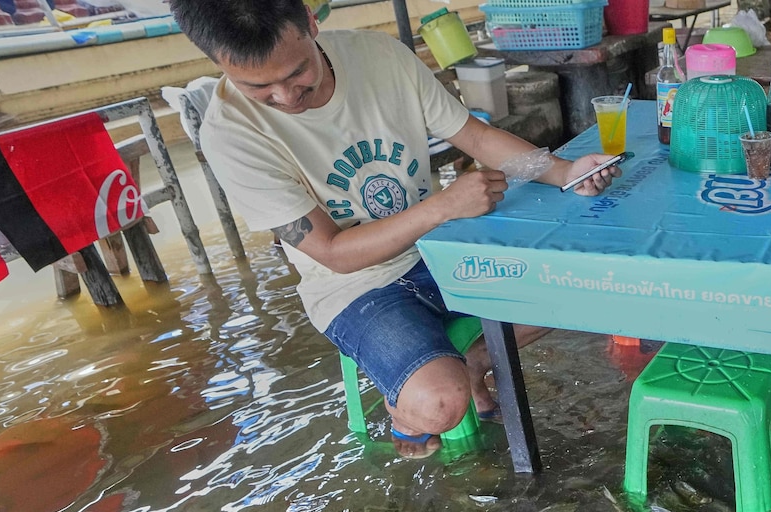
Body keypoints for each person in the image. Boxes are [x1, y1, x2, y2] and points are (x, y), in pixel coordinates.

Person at [173, 0, 621, 458]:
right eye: (258, 86)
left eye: (297, 72)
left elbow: (475, 136)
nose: (287, 97)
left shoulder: (379, 57)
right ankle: (408, 409)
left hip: (434, 250)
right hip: (354, 287)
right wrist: (442, 207)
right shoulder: (229, 134)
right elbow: (334, 253)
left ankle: (477, 360)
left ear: (311, 21)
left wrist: (564, 171)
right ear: (216, 60)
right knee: (439, 406)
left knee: (581, 284)